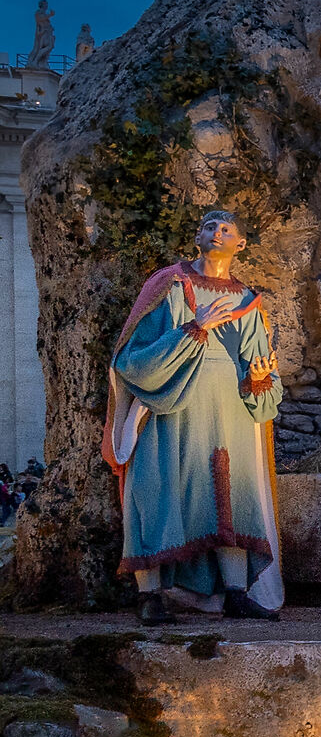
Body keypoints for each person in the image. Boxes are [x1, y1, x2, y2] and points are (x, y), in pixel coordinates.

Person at [106, 210, 285, 623]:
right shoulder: (168, 285)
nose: (217, 233)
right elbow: (131, 360)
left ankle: (236, 594)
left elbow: (260, 367)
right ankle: (150, 597)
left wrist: (259, 378)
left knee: (231, 495)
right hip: (173, 403)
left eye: (227, 229)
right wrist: (194, 328)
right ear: (198, 236)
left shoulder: (247, 301)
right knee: (157, 490)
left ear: (240, 244)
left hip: (230, 410)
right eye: (210, 226)